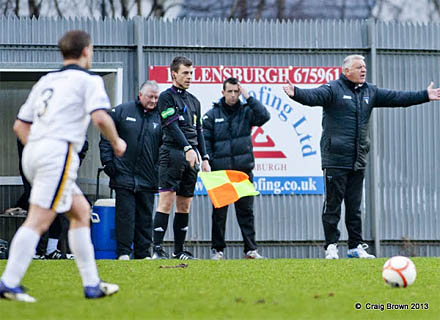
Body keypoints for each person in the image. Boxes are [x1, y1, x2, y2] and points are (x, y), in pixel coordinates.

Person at [0, 30, 126, 302]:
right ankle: (8, 282)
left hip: (33, 152)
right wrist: (117, 142)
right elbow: (101, 118)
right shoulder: (88, 81)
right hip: (57, 154)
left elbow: (20, 125)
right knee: (40, 219)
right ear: (86, 51)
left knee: (80, 212)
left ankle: (92, 284)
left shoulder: (47, 81)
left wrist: (38, 147)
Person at [283, 54, 440, 259]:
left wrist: (424, 95)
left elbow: (397, 98)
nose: (363, 70)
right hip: (335, 158)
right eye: (358, 67)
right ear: (347, 71)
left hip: (358, 159)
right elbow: (314, 97)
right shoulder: (333, 89)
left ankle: (355, 247)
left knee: (355, 207)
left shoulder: (370, 92)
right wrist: (296, 93)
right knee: (333, 205)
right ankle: (331, 246)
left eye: (364, 67)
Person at [202, 77, 270, 260]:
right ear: (222, 92)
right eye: (229, 91)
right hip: (221, 173)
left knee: (246, 212)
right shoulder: (211, 115)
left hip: (242, 172)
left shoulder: (247, 112)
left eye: (236, 92)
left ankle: (250, 250)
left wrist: (249, 97)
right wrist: (208, 160)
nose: (233, 95)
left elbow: (264, 116)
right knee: (219, 213)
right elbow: (205, 141)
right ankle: (217, 250)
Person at [152, 56, 211, 260]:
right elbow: (171, 124)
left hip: (192, 156)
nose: (189, 77)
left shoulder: (194, 100)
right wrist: (186, 147)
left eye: (191, 73)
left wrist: (204, 157)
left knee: (185, 204)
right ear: (174, 74)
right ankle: (157, 250)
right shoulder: (166, 97)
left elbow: (199, 130)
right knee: (166, 200)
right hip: (172, 153)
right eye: (185, 73)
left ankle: (178, 251)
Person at [99, 81, 162, 260]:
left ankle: (143, 254)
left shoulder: (161, 117)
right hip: (123, 175)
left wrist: (157, 170)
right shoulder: (121, 111)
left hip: (148, 178)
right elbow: (106, 138)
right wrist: (109, 163)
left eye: (156, 97)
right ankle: (124, 252)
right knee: (125, 216)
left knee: (145, 217)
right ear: (140, 95)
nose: (153, 101)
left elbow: (165, 147)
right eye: (150, 96)